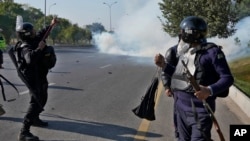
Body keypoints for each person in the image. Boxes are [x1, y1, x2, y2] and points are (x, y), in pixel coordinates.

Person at [154, 16, 234, 141]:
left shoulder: (212, 52)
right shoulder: (183, 51)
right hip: (180, 108)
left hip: (200, 110)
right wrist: (163, 65)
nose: (180, 35)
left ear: (189, 34)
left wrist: (208, 90)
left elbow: (227, 78)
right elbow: (179, 75)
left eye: (183, 32)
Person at [15, 17, 58, 141]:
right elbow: (30, 59)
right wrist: (39, 48)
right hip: (32, 77)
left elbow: (42, 34)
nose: (35, 32)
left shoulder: (33, 40)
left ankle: (35, 119)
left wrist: (51, 25)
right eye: (32, 31)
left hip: (39, 75)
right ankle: (24, 131)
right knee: (36, 102)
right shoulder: (25, 46)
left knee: (43, 98)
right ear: (27, 34)